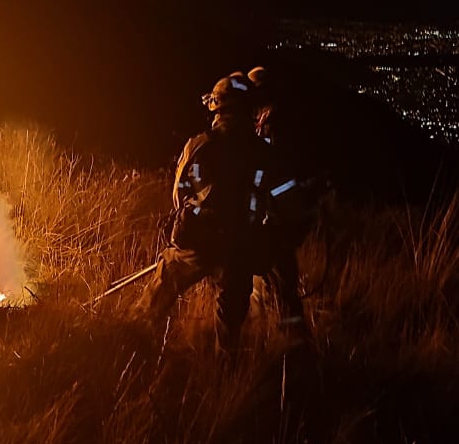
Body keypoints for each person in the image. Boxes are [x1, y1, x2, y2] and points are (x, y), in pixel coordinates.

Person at [139, 72, 280, 350]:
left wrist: (193, 218)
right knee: (230, 330)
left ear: (217, 106)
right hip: (239, 248)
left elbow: (178, 192)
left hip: (196, 241)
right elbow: (268, 198)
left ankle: (132, 342)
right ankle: (227, 370)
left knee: (158, 294)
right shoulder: (262, 152)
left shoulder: (200, 144)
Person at [247, 66, 325, 344]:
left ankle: (293, 342)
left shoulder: (273, 122)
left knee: (279, 277)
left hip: (279, 217)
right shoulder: (281, 118)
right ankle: (269, 335)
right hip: (285, 214)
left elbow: (271, 170)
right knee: (269, 278)